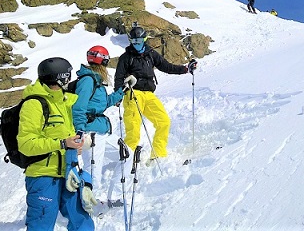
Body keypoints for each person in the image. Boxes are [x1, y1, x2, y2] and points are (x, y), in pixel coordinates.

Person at [17, 57, 95, 231]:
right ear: (59, 79)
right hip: (43, 177)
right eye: (67, 76)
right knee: (41, 224)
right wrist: (62, 143)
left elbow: (70, 133)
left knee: (82, 220)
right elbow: (26, 144)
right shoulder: (34, 105)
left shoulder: (63, 101)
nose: (69, 80)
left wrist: (77, 145)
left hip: (69, 173)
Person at [114, 25, 197, 162]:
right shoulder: (126, 57)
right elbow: (118, 77)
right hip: (133, 93)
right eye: (134, 42)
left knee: (163, 122)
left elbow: (166, 66)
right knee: (133, 127)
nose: (136, 45)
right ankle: (128, 161)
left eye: (139, 41)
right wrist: (118, 95)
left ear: (144, 40)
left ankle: (158, 154)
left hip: (149, 94)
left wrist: (185, 69)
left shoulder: (150, 54)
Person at [71, 45, 132, 207]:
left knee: (127, 155)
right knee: (93, 172)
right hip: (90, 133)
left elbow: (103, 104)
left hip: (101, 131)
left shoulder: (96, 81)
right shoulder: (87, 81)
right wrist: (80, 132)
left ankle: (114, 197)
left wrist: (123, 90)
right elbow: (78, 108)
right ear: (102, 63)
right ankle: (89, 206)